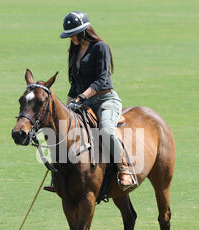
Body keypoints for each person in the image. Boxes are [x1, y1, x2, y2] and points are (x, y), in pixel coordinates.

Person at [44, 11, 134, 192]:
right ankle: (59, 177)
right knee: (60, 130)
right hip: (82, 102)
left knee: (107, 131)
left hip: (105, 100)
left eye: (73, 35)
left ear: (84, 32)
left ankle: (124, 169)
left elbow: (101, 80)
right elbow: (74, 83)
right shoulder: (74, 50)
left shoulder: (100, 47)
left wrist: (81, 97)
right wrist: (68, 105)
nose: (71, 39)